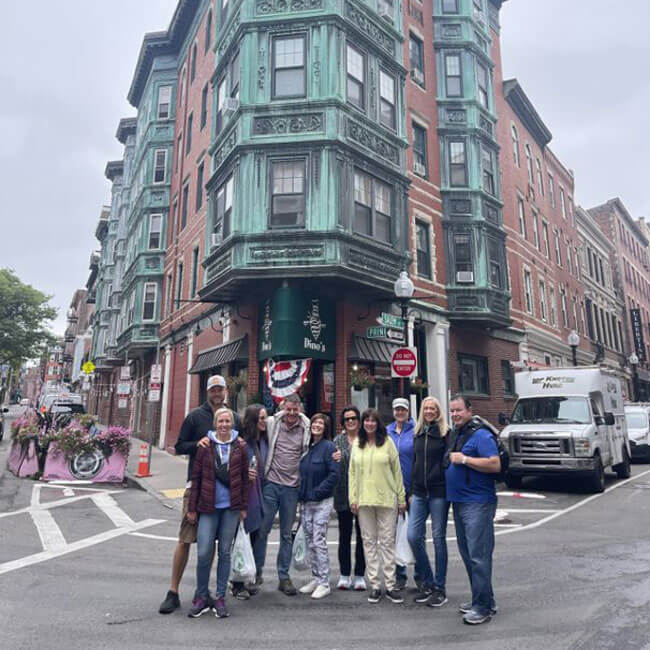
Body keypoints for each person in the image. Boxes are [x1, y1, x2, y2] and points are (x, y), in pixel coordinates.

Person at [159, 375, 241, 614]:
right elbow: (179, 445)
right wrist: (199, 443)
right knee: (186, 539)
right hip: (196, 487)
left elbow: (242, 445)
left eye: (220, 389)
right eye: (213, 389)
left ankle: (207, 594)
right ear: (207, 391)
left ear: (225, 391)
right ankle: (173, 592)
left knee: (214, 545)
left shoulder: (232, 417)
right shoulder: (196, 416)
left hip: (224, 494)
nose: (217, 393)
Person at [187, 407, 249, 619]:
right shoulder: (205, 446)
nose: (224, 424)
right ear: (215, 424)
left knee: (224, 553)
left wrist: (243, 506)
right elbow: (196, 478)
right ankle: (201, 596)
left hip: (230, 508)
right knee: (204, 552)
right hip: (207, 506)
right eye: (220, 421)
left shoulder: (240, 446)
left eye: (227, 421)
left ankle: (221, 597)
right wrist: (192, 508)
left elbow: (243, 478)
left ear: (232, 423)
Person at [446, 395, 501, 625]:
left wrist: (465, 460)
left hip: (478, 502)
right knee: (469, 554)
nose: (455, 414)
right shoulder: (458, 433)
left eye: (459, 410)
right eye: (452, 411)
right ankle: (484, 599)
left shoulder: (481, 435)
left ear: (469, 410)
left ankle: (482, 607)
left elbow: (494, 463)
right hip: (460, 502)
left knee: (478, 555)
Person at [349, 408, 406, 604]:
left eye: (373, 421)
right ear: (363, 423)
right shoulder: (357, 443)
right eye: (367, 421)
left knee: (387, 542)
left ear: (378, 423)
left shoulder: (388, 443)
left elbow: (397, 472)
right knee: (368, 542)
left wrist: (401, 498)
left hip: (386, 500)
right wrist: (353, 498)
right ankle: (374, 585)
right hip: (364, 500)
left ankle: (390, 585)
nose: (370, 424)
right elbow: (352, 474)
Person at [256, 393, 311, 595]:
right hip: (271, 484)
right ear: (282, 407)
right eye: (288, 409)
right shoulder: (272, 422)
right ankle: (256, 573)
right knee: (263, 530)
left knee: (286, 535)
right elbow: (254, 429)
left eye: (295, 409)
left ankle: (284, 577)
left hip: (292, 488)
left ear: (300, 409)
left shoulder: (306, 427)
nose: (291, 413)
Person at [407, 396, 450, 607]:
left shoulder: (444, 434)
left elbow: (448, 461)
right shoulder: (418, 433)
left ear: (438, 411)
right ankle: (428, 582)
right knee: (413, 536)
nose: (429, 411)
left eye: (433, 408)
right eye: (426, 408)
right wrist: (411, 490)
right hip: (419, 493)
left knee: (438, 539)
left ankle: (440, 588)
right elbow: (415, 462)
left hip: (438, 493)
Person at [298, 414, 339, 599]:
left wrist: (317, 492)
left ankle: (324, 582)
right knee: (309, 541)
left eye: (321, 423)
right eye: (314, 422)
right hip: (306, 502)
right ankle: (315, 577)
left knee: (318, 541)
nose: (317, 425)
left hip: (322, 502)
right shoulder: (307, 447)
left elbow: (334, 475)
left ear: (326, 427)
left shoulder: (329, 447)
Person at [230, 404, 269, 600]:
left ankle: (246, 577)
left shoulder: (262, 441)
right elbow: (232, 469)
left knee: (252, 537)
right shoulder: (243, 443)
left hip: (257, 496)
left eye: (266, 418)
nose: (265, 421)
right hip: (245, 497)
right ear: (253, 420)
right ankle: (236, 582)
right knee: (240, 539)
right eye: (262, 418)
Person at [333, 405, 366, 591]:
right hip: (343, 494)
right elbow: (332, 464)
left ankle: (360, 574)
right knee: (344, 536)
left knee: (363, 536)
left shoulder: (365, 440)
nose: (351, 421)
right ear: (343, 423)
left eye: (353, 418)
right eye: (347, 419)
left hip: (363, 493)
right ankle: (345, 574)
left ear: (358, 420)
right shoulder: (337, 440)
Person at [386, 397, 417, 591]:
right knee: (395, 534)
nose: (400, 413)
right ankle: (400, 576)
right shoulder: (387, 432)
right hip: (392, 491)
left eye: (403, 410)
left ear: (408, 411)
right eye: (397, 410)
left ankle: (421, 576)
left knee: (414, 535)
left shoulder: (415, 430)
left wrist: (413, 491)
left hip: (412, 491)